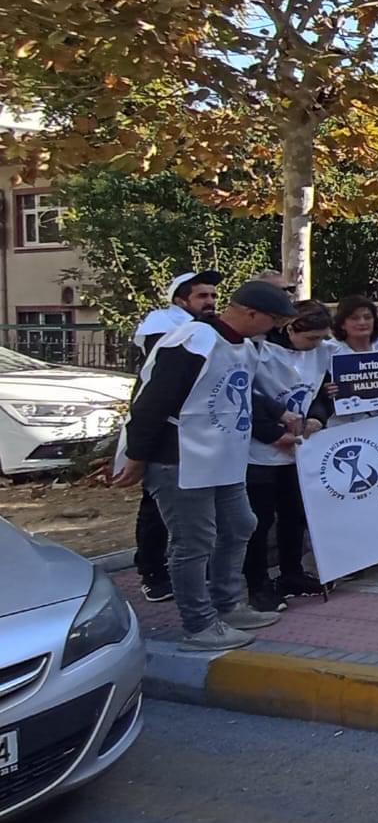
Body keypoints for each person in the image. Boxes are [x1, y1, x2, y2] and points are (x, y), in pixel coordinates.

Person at [113, 279, 299, 649]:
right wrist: (137, 456)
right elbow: (153, 400)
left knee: (240, 525)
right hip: (180, 457)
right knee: (193, 541)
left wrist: (279, 412)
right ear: (250, 313)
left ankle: (227, 604)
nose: (275, 328)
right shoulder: (194, 340)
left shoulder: (244, 346)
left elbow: (242, 391)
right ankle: (199, 623)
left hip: (224, 456)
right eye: (273, 319)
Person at [130, 271, 227, 602]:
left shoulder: (208, 330)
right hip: (166, 432)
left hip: (198, 432)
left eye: (213, 296)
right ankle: (152, 571)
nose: (211, 302)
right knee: (157, 507)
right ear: (180, 300)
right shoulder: (162, 327)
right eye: (203, 296)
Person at [244, 300, 334, 607]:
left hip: (298, 449)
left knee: (294, 514)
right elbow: (244, 395)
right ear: (291, 328)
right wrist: (272, 432)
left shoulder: (321, 352)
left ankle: (292, 572)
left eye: (321, 338)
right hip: (258, 451)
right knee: (260, 519)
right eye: (311, 338)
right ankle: (256, 583)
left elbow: (322, 392)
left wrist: (317, 416)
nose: (317, 345)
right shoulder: (257, 350)